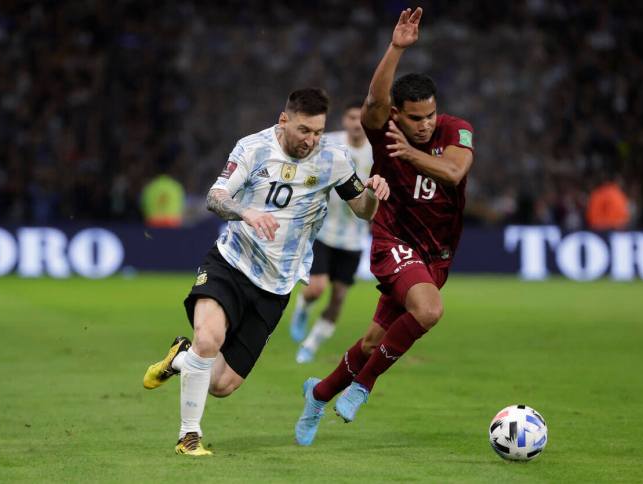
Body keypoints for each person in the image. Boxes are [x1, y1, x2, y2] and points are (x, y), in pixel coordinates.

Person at [142, 88, 390, 456]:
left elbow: (364, 211)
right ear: (284, 120)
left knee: (222, 384)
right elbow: (215, 196)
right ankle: (188, 436)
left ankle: (180, 357)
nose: (312, 140)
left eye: (318, 132)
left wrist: (375, 191)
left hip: (277, 283)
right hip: (231, 262)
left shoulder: (333, 160)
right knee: (208, 339)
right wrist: (247, 212)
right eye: (305, 130)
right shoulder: (253, 148)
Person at [294, 7, 475, 446]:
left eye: (430, 115)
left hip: (438, 255)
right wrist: (395, 48)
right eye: (416, 118)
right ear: (399, 114)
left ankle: (317, 394)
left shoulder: (457, 130)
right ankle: (362, 387)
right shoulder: (384, 127)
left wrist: (411, 155)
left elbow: (452, 173)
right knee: (429, 311)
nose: (426, 123)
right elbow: (374, 104)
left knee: (375, 341)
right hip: (393, 240)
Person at [289, 100, 374, 364]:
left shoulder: (377, 151)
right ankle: (302, 308)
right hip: (324, 230)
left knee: (338, 298)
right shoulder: (329, 143)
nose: (356, 124)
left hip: (354, 237)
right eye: (351, 117)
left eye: (361, 118)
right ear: (344, 121)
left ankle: (310, 345)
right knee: (316, 288)